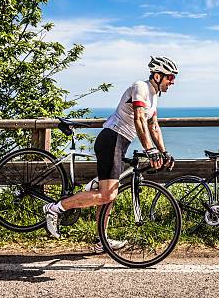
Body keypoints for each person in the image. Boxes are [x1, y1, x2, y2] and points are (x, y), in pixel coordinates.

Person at [42, 56, 178, 252]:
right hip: (112, 139)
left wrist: (164, 152)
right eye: (170, 77)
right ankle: (55, 208)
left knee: (108, 196)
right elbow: (139, 119)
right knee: (108, 194)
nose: (172, 82)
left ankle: (101, 241)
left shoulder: (153, 97)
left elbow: (153, 126)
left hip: (120, 143)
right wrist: (151, 150)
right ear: (157, 75)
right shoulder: (140, 87)